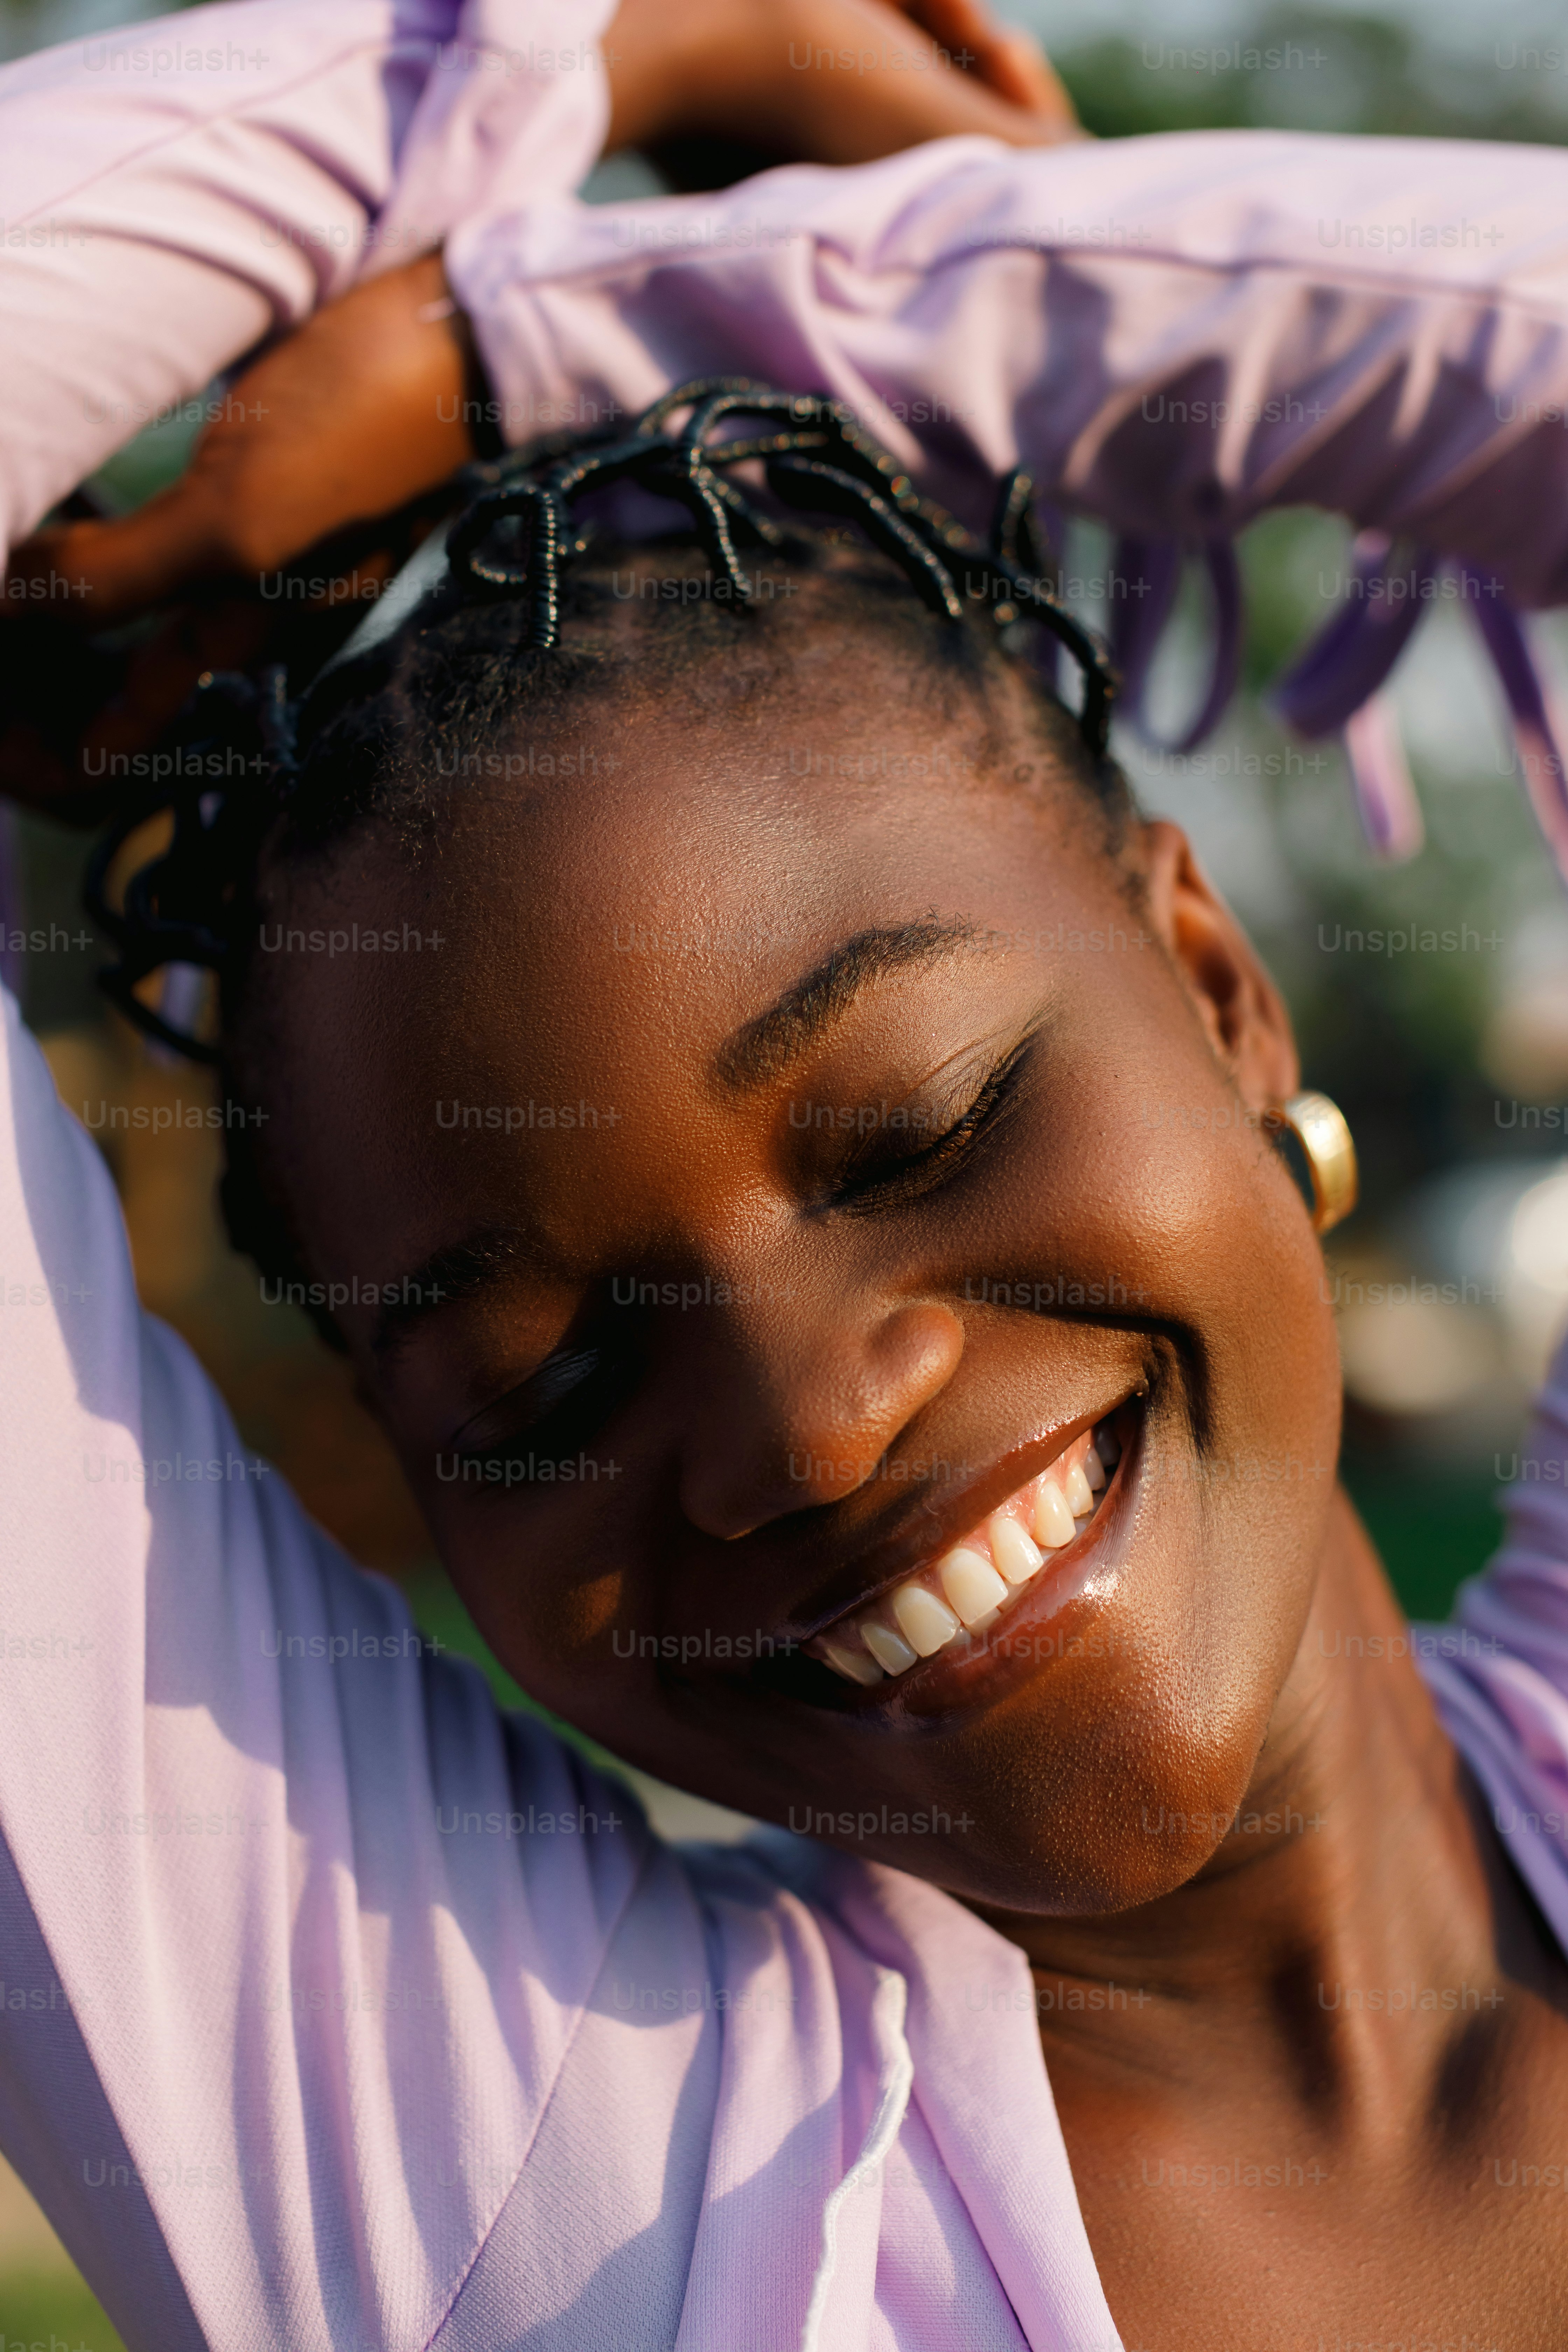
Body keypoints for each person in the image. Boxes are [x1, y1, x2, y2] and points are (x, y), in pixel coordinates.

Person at [2, 6, 1568, 2348]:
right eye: (536, 1376)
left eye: (925, 1130)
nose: (807, 1428)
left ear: (1221, 999)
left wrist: (573, 311)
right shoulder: (509, 2170)